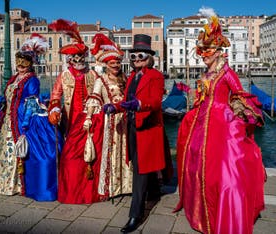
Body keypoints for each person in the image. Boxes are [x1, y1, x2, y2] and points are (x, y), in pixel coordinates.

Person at [174, 8, 266, 234]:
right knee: (199, 167)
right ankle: (202, 214)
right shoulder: (205, 76)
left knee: (224, 173)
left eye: (206, 52)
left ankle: (225, 214)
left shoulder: (227, 73)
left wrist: (244, 112)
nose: (203, 55)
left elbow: (240, 95)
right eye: (201, 51)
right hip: (202, 122)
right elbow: (201, 99)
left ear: (217, 52)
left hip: (223, 127)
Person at [0, 34, 63, 201]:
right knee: (2, 149)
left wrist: (25, 122)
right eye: (18, 61)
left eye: (24, 62)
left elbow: (31, 101)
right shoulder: (14, 78)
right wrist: (0, 101)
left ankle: (18, 184)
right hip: (7, 118)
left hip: (20, 119)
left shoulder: (32, 80)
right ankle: (1, 181)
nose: (20, 65)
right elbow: (9, 96)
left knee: (20, 149)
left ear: (31, 63)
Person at [104, 34, 168, 233]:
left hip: (148, 129)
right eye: (134, 57)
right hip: (133, 127)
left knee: (140, 170)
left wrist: (140, 104)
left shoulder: (155, 76)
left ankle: (135, 215)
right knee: (138, 163)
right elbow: (126, 101)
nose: (137, 60)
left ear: (149, 57)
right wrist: (115, 107)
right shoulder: (131, 76)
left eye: (141, 56)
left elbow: (157, 101)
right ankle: (154, 192)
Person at [86, 33, 132, 199]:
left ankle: (127, 186)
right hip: (111, 122)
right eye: (112, 64)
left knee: (127, 152)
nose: (116, 66)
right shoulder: (101, 80)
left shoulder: (125, 78)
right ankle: (112, 188)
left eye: (118, 63)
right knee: (112, 153)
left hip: (126, 120)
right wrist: (89, 117)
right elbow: (94, 98)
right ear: (106, 65)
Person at [47, 19, 98, 135]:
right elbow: (55, 95)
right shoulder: (64, 75)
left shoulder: (93, 74)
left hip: (89, 117)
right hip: (70, 118)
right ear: (71, 59)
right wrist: (54, 109)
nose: (79, 59)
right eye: (76, 56)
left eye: (81, 56)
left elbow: (99, 94)